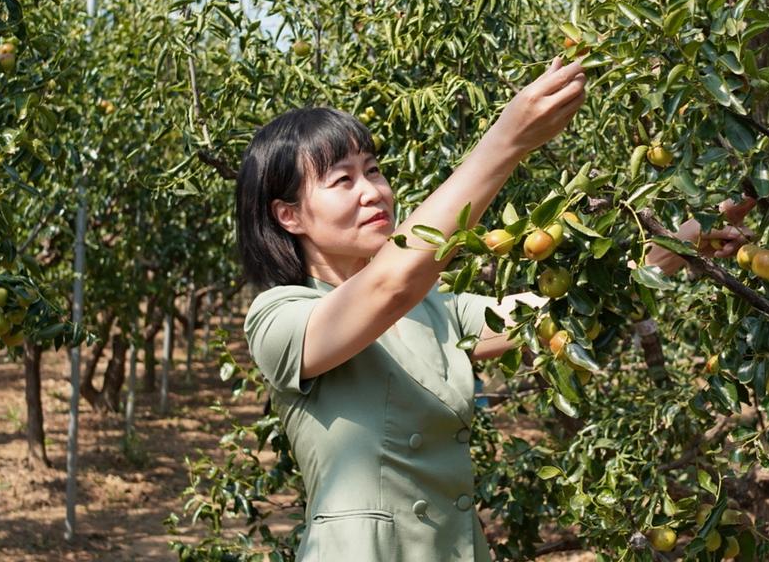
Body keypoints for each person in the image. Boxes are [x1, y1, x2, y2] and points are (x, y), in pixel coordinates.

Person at [236, 59, 586, 561]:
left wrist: (676, 247)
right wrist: (506, 141)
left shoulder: (432, 309)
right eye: (342, 180)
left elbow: (546, 313)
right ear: (289, 215)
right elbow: (390, 284)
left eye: (373, 170)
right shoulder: (279, 320)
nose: (372, 191)